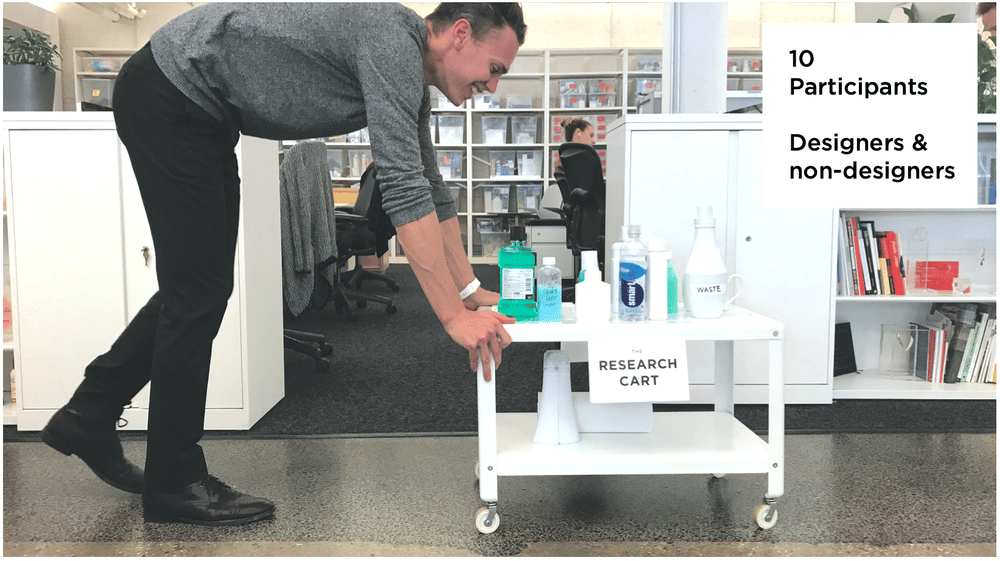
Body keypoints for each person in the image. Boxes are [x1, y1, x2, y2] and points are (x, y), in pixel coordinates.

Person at [39, 2, 527, 527]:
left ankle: (88, 415)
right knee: (196, 292)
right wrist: (451, 318)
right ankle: (172, 481)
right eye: (494, 68)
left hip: (199, 110)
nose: (492, 85)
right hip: (172, 92)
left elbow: (429, 186)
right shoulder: (393, 42)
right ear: (459, 35)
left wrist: (469, 290)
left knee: (198, 289)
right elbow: (403, 187)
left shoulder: (409, 71)